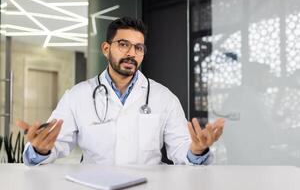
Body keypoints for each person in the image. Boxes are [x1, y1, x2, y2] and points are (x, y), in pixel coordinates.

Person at [16, 17, 224, 166]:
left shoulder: (164, 98)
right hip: (95, 183)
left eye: (139, 47)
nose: (132, 53)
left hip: (148, 184)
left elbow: (181, 148)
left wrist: (197, 150)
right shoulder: (77, 95)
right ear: (106, 49)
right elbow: (55, 143)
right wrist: (40, 149)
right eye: (123, 44)